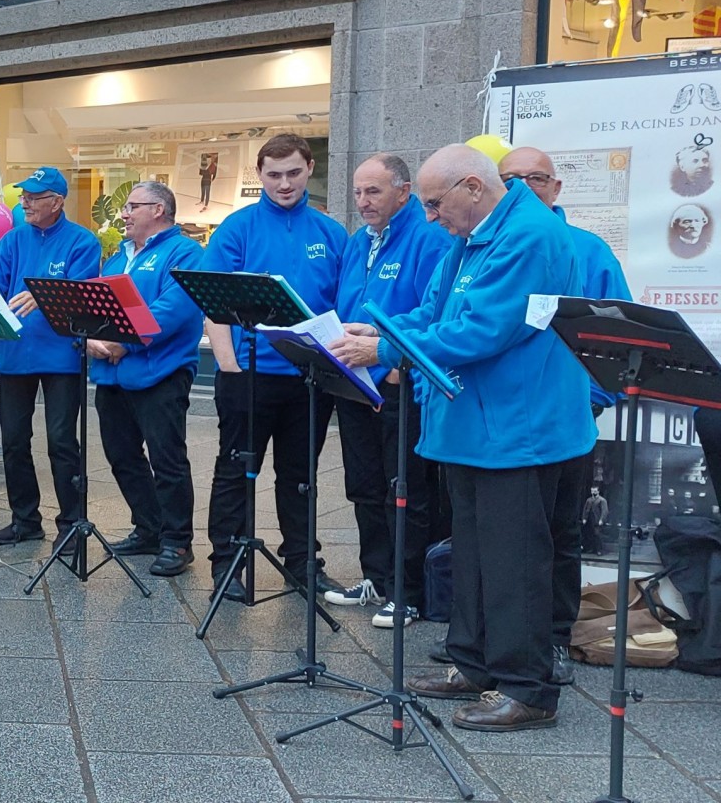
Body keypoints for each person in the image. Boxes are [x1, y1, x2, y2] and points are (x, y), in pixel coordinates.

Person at [331, 143, 595, 733]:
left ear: (472, 187)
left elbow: (485, 328)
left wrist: (386, 348)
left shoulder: (530, 236)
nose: (430, 217)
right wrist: (378, 329)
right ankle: (472, 663)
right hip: (474, 427)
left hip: (517, 430)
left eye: (433, 203)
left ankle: (527, 688)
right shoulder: (472, 235)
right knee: (472, 555)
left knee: (515, 562)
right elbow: (434, 311)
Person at [498, 145, 632, 686]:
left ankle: (553, 637)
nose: (522, 187)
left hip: (564, 424)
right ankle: (496, 639)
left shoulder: (589, 251)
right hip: (501, 426)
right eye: (510, 178)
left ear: (556, 188)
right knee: (504, 540)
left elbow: (621, 339)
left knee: (557, 534)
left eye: (534, 178)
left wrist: (591, 400)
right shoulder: (482, 248)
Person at [196, 134, 347, 598]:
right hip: (249, 373)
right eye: (274, 175)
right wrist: (228, 367)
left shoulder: (331, 232)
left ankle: (302, 561)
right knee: (235, 469)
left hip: (309, 377)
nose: (284, 183)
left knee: (301, 475)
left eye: (294, 173)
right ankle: (227, 561)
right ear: (260, 174)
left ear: (310, 169)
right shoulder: (237, 228)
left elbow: (341, 307)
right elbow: (212, 301)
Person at [322, 154, 456, 629]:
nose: (363, 202)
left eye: (374, 191)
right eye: (358, 192)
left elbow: (433, 311)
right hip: (354, 380)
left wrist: (396, 361)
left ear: (404, 191)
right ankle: (375, 578)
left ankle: (408, 591)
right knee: (363, 486)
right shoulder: (360, 241)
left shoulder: (429, 237)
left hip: (398, 383)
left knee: (406, 491)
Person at [0, 166, 101, 545]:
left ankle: (71, 525)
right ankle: (25, 520)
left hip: (62, 358)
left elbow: (84, 300)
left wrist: (45, 296)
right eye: (24, 197)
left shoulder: (83, 242)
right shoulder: (11, 241)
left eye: (34, 198)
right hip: (15, 354)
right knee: (15, 440)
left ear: (58, 202)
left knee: (61, 441)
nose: (26, 203)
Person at [94, 182, 205, 577]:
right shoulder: (115, 258)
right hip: (111, 375)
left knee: (167, 459)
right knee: (121, 456)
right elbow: (97, 304)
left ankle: (177, 542)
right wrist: (91, 337)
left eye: (131, 206)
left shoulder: (186, 253)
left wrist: (123, 342)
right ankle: (148, 528)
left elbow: (171, 311)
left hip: (161, 373)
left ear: (159, 209)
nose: (123, 214)